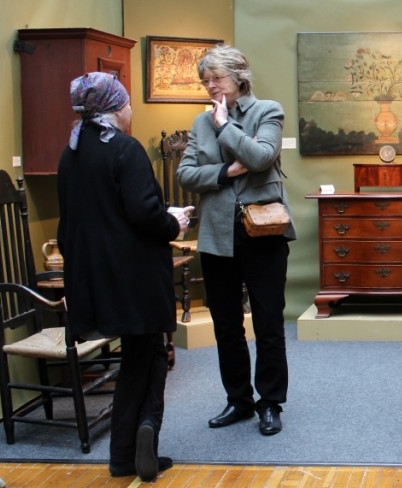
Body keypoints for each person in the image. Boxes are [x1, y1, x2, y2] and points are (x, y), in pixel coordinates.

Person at [57, 72, 191, 481]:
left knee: (135, 357)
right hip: (135, 274)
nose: (131, 108)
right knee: (149, 355)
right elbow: (144, 213)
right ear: (116, 107)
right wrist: (175, 224)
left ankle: (123, 451)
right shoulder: (125, 149)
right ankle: (145, 430)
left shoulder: (72, 151)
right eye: (129, 102)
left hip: (93, 276)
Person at [177, 45, 295, 436]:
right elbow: (186, 175)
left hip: (263, 234)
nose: (210, 86)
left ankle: (270, 402)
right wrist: (227, 172)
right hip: (216, 236)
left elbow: (261, 158)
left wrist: (226, 125)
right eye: (205, 81)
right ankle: (239, 401)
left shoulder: (268, 111)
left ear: (239, 77)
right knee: (226, 325)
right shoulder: (198, 122)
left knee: (267, 321)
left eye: (217, 79)